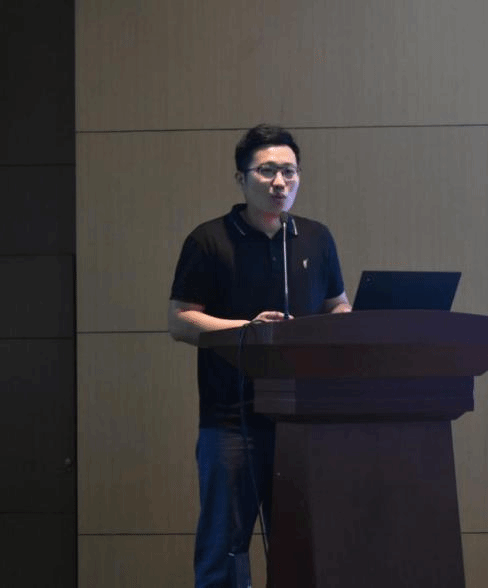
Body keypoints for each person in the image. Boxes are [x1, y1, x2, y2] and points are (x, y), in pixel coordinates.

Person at [167, 124, 351, 588]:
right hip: (232, 423)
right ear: (241, 179)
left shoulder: (315, 238)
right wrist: (248, 330)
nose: (280, 182)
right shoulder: (209, 241)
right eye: (267, 171)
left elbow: (338, 306)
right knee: (224, 553)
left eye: (289, 171)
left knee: (304, 551)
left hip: (303, 418)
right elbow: (181, 321)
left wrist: (337, 327)